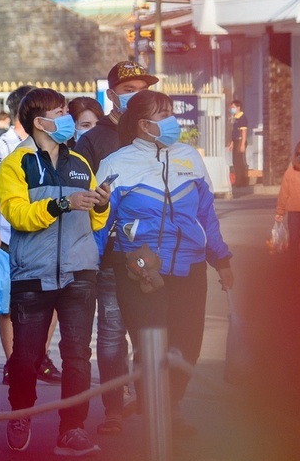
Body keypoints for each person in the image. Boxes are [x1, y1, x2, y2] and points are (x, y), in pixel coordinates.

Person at [100, 90, 234, 429]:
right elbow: (99, 224)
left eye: (172, 113)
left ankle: (170, 403)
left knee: (187, 345)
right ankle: (158, 414)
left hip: (190, 267)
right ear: (144, 125)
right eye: (164, 115)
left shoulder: (190, 157)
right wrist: (88, 270)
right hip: (140, 271)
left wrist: (221, 259)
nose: (173, 121)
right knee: (152, 345)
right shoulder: (116, 163)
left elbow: (207, 216)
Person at [0, 88, 110, 456]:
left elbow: (95, 221)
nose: (67, 118)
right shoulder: (16, 163)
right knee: (26, 356)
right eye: (60, 112)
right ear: (39, 121)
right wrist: (62, 203)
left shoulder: (80, 163)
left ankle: (72, 428)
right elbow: (17, 216)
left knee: (77, 354)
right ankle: (21, 414)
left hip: (80, 272)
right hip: (32, 274)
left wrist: (101, 204)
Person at [74, 62, 158, 435]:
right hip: (110, 254)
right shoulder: (94, 141)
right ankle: (113, 407)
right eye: (128, 89)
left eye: (142, 88)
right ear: (111, 95)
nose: (137, 95)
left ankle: (154, 402)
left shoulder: (157, 136)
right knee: (111, 331)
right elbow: (82, 196)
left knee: (151, 329)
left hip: (153, 253)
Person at [0, 85, 59, 387]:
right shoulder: (0, 147)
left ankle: (40, 356)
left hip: (47, 235)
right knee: (10, 305)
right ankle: (13, 361)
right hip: (8, 238)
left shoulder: (53, 144)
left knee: (51, 300)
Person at [229, 99, 251, 194]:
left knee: (240, 162)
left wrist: (242, 144)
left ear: (238, 107)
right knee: (235, 161)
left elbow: (244, 132)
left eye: (233, 107)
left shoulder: (242, 118)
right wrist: (232, 143)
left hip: (240, 140)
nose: (232, 109)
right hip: (236, 141)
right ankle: (238, 180)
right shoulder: (236, 118)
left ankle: (241, 181)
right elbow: (235, 131)